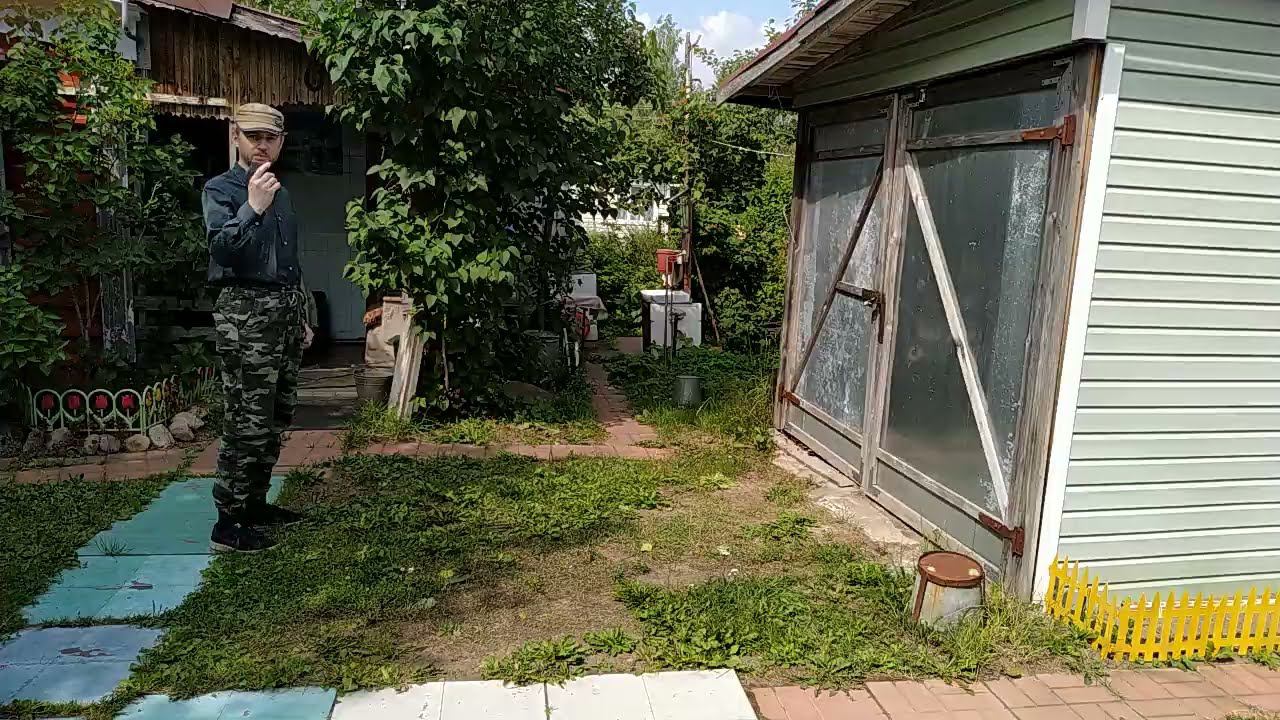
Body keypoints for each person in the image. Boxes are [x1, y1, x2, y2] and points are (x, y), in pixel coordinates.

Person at [203, 103, 313, 552]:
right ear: (236, 136)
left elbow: (288, 261)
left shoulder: (281, 193)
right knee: (247, 418)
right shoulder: (221, 189)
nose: (261, 145)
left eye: (270, 137)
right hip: (245, 313)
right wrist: (252, 207)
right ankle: (227, 521)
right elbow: (221, 249)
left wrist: (303, 314)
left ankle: (254, 503)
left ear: (281, 142)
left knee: (275, 415)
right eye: (253, 136)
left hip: (283, 312)